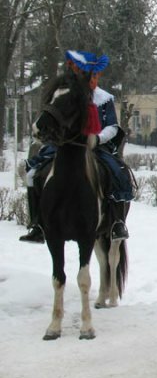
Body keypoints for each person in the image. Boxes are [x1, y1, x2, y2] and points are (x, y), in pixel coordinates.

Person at [20, 50, 133, 243]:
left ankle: (116, 222)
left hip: (95, 148)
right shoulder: (66, 96)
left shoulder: (104, 98)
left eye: (97, 76)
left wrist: (97, 139)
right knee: (33, 173)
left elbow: (113, 127)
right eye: (90, 75)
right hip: (64, 146)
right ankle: (38, 223)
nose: (93, 80)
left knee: (118, 173)